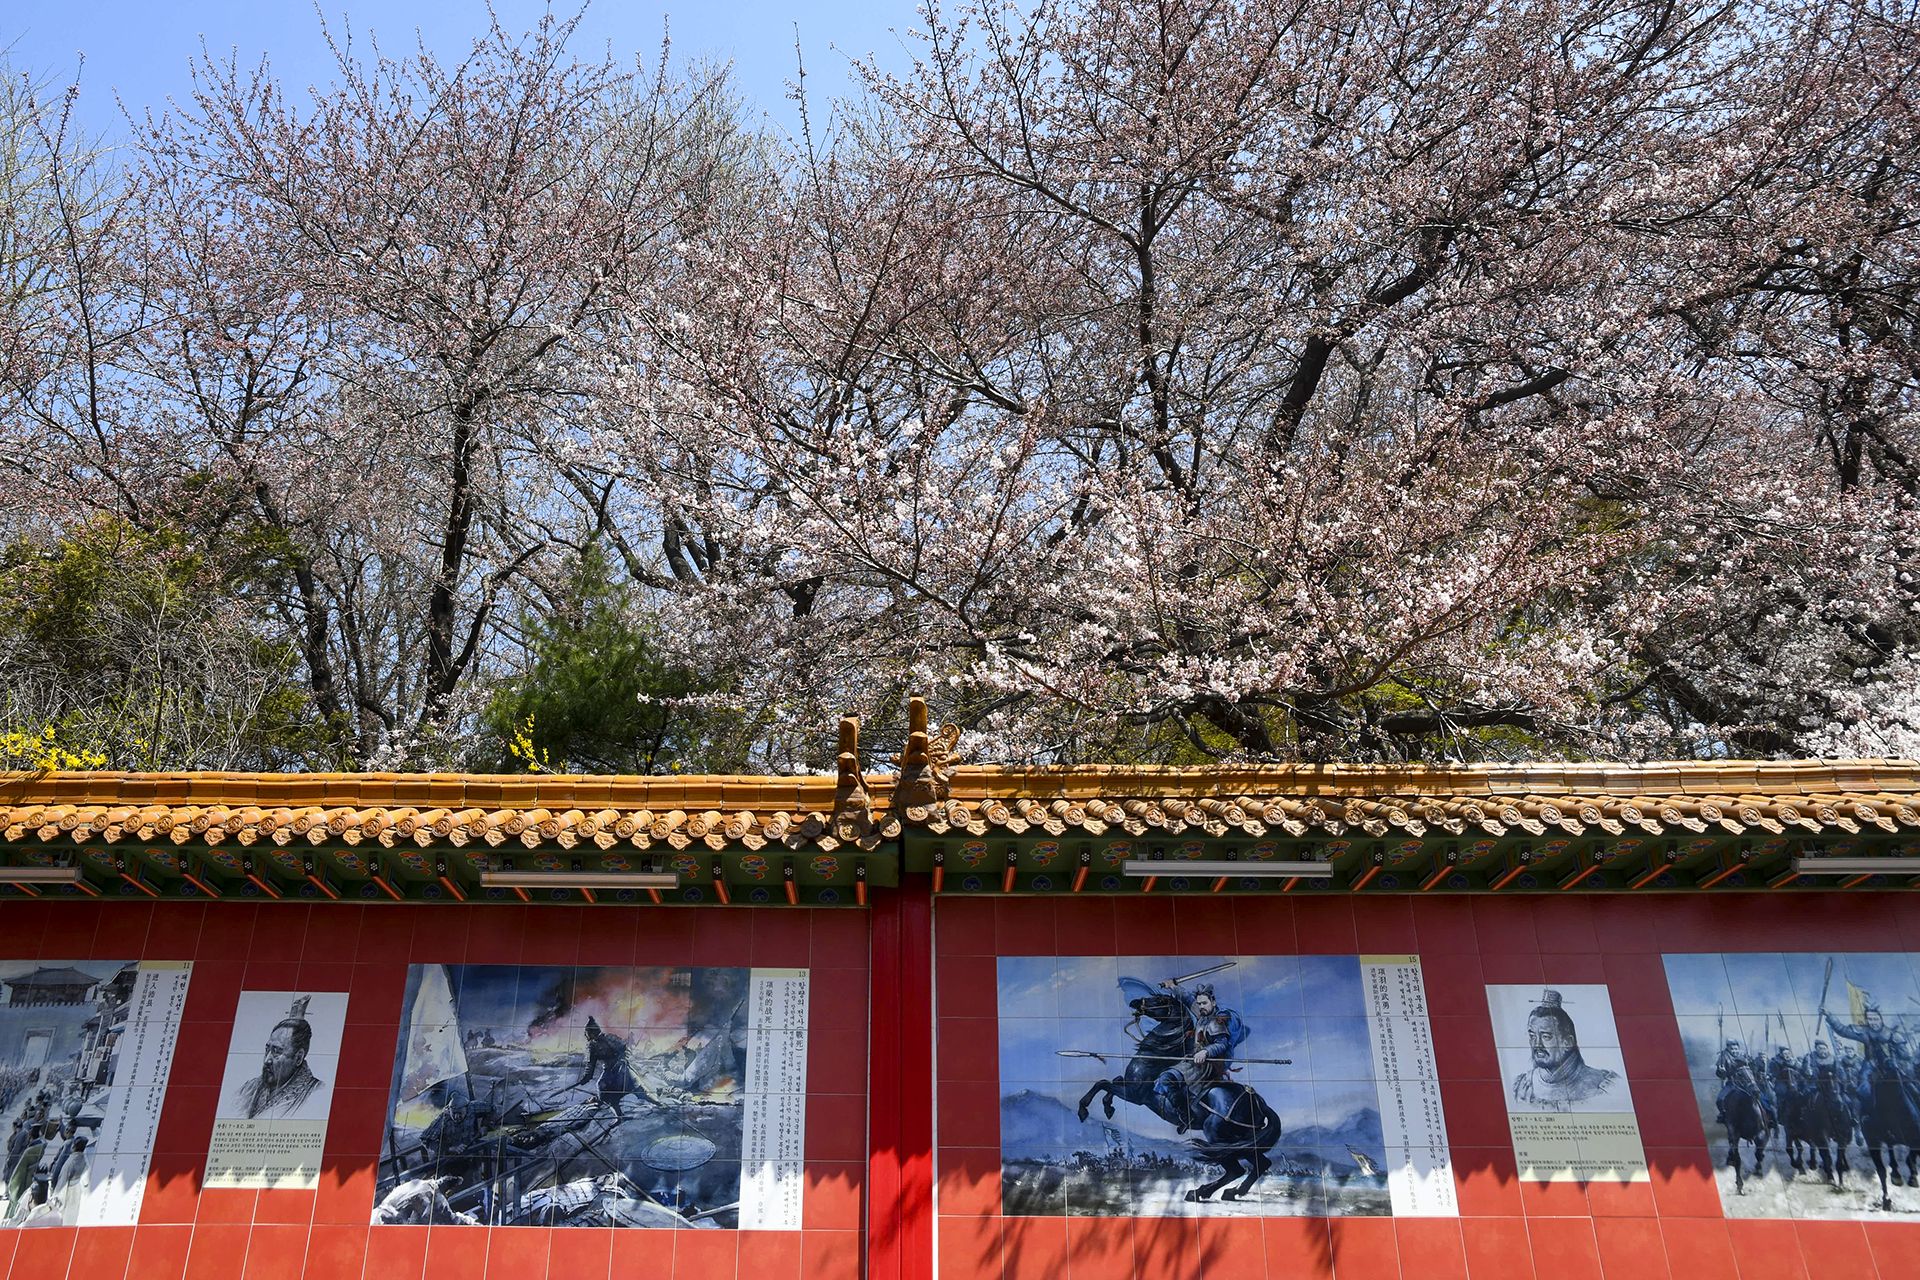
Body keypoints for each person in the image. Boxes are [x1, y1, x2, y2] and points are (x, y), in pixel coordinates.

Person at [1150, 979, 1248, 1135]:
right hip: (1195, 1059)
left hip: (1206, 1064)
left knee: (1166, 1079)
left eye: (1204, 1003)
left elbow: (1222, 1044)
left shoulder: (1216, 1022)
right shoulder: (1202, 1015)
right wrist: (1173, 986)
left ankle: (1186, 1117)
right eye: (1199, 1004)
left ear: (1213, 1002)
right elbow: (1187, 999)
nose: (1201, 1006)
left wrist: (1205, 1052)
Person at [1511, 990, 1618, 1111]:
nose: (1537, 1044)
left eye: (1546, 1037)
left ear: (1568, 1042)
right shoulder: (1521, 1085)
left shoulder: (1603, 1084)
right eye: (1532, 1036)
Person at [234, 996, 326, 1119]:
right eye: (267, 1050)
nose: (267, 1060)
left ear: (298, 1058)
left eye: (277, 1051)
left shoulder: (316, 1093)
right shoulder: (248, 1088)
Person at [570, 1017, 655, 1116]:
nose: (585, 1035)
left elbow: (624, 1049)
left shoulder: (608, 1039)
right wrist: (586, 1078)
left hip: (621, 1068)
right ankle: (619, 1116)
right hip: (610, 1070)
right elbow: (591, 1065)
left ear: (592, 1032)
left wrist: (621, 1060)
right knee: (604, 1089)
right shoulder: (593, 1045)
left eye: (587, 1033)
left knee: (638, 1089)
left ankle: (660, 1105)